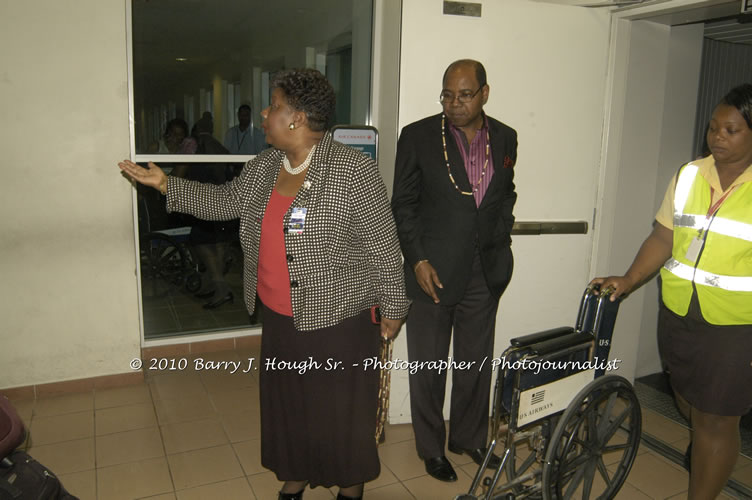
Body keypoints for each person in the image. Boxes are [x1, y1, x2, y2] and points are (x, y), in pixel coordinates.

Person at [119, 68, 410, 500]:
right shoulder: (266, 165)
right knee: (289, 405)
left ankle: (349, 487)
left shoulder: (352, 173)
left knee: (338, 412)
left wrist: (394, 309)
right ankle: (294, 476)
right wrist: (166, 185)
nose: (263, 116)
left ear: (296, 118)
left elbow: (385, 247)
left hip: (338, 322)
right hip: (279, 316)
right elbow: (223, 201)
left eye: (272, 107)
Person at [591, 83, 752, 500]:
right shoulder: (689, 175)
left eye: (731, 130)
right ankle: (707, 454)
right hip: (680, 313)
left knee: (716, 419)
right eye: (713, 128)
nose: (717, 137)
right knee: (688, 404)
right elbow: (664, 237)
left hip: (737, 325)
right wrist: (627, 280)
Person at [391, 59, 518, 482]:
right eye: (447, 95)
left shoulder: (504, 137)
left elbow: (506, 193)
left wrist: (503, 235)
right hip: (431, 271)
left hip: (485, 270)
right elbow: (403, 205)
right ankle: (431, 448)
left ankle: (469, 436)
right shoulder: (417, 136)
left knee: (475, 362)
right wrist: (418, 259)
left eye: (464, 94)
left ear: (485, 92)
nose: (454, 103)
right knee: (427, 365)